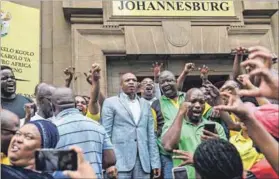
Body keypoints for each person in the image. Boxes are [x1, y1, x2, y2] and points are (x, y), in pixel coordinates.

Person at [101, 73, 161, 179]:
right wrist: (108, 163)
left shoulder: (145, 104)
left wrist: (155, 162)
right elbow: (105, 134)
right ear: (120, 85)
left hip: (143, 163)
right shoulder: (111, 102)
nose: (131, 82)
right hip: (119, 162)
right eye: (127, 80)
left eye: (134, 80)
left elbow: (151, 135)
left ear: (137, 84)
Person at [162, 88, 226, 179]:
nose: (197, 105)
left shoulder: (216, 127)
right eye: (193, 101)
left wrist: (217, 144)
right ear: (184, 102)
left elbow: (226, 160)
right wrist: (181, 113)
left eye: (201, 102)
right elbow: (168, 146)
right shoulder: (173, 124)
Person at [52, 87, 116, 179]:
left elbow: (42, 163)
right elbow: (110, 160)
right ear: (74, 104)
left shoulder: (50, 130)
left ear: (53, 107)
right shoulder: (97, 126)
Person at [151, 70, 186, 179]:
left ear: (176, 81)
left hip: (190, 152)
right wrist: (155, 161)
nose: (165, 84)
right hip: (168, 157)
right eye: (162, 82)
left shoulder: (189, 97)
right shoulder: (155, 105)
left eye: (169, 80)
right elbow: (153, 135)